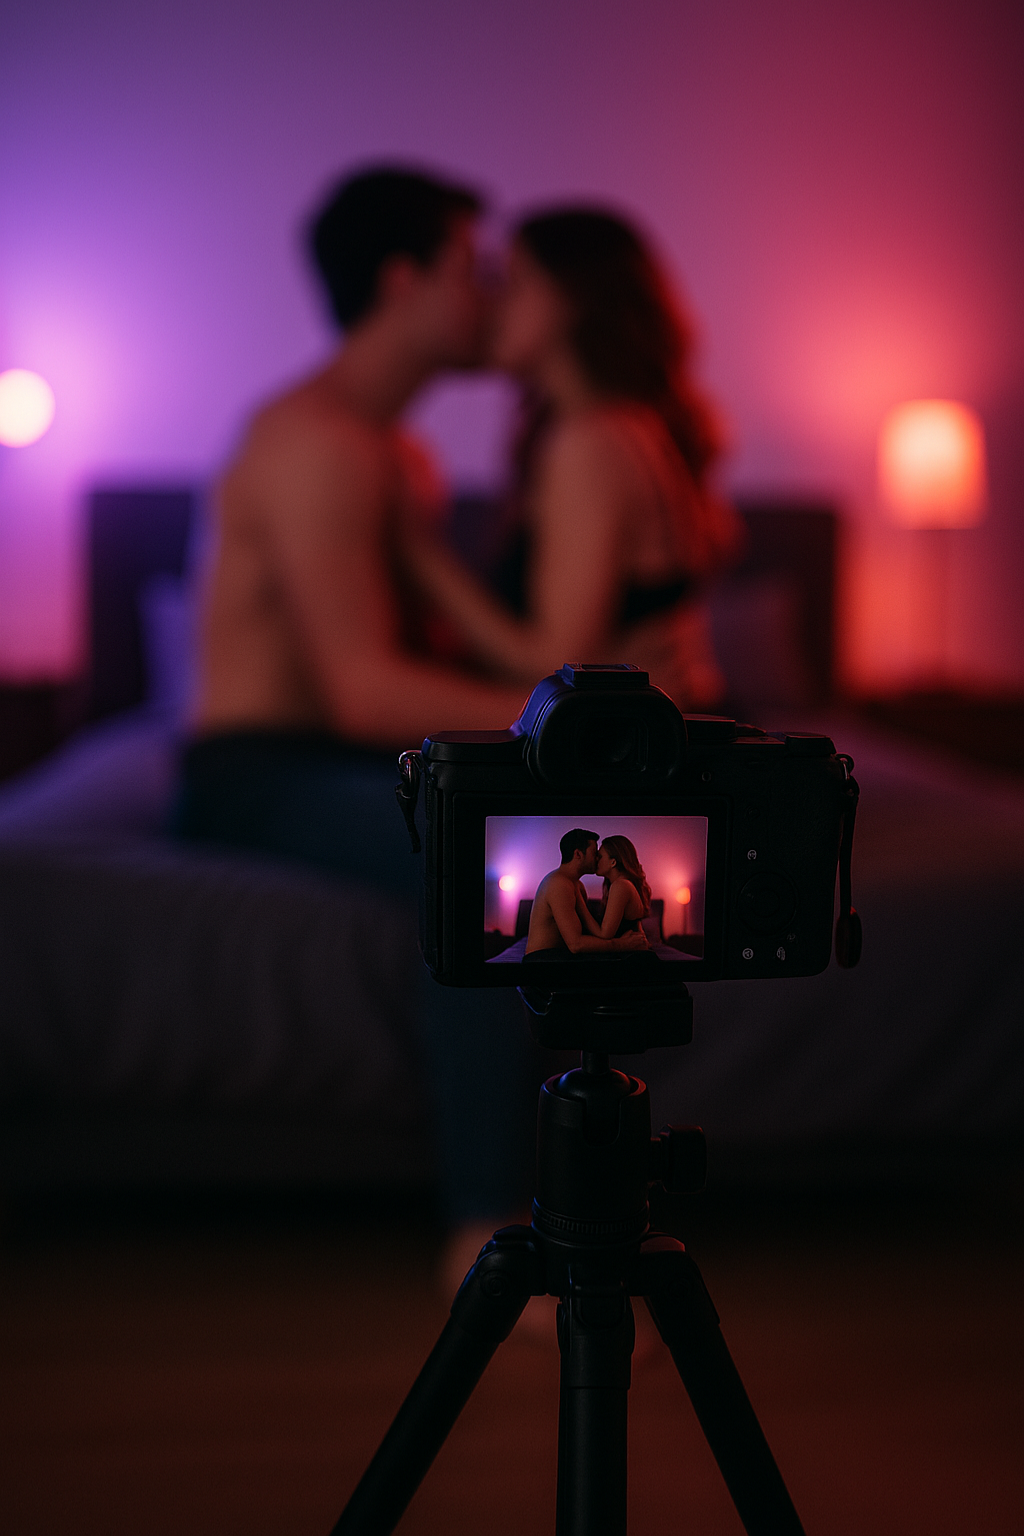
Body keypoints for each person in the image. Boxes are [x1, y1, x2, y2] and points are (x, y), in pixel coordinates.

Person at [172, 166, 536, 1234]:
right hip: (255, 772)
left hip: (340, 758)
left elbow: (454, 651)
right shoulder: (312, 446)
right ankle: (486, 1226)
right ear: (401, 280)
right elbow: (362, 692)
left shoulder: (398, 457)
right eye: (474, 269)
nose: (494, 295)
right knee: (475, 865)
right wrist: (557, 719)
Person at [403, 205, 743, 708]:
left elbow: (555, 664)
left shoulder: (590, 442)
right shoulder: (625, 425)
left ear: (572, 300)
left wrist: (419, 555)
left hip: (639, 765)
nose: (492, 303)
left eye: (512, 282)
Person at [524, 828, 649, 960]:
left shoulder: (577, 886)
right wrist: (622, 944)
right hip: (542, 958)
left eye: (599, 856)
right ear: (578, 854)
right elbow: (576, 944)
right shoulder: (559, 884)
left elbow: (586, 935)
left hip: (561, 955)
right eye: (595, 853)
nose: (596, 859)